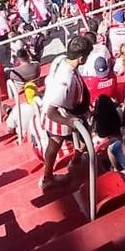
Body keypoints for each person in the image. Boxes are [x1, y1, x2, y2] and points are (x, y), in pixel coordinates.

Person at [39, 36, 89, 190]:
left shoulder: (61, 59)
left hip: (63, 110)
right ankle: (52, 175)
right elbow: (51, 112)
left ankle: (53, 173)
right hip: (61, 116)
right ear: (81, 58)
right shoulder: (65, 80)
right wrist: (71, 122)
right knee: (76, 141)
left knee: (54, 145)